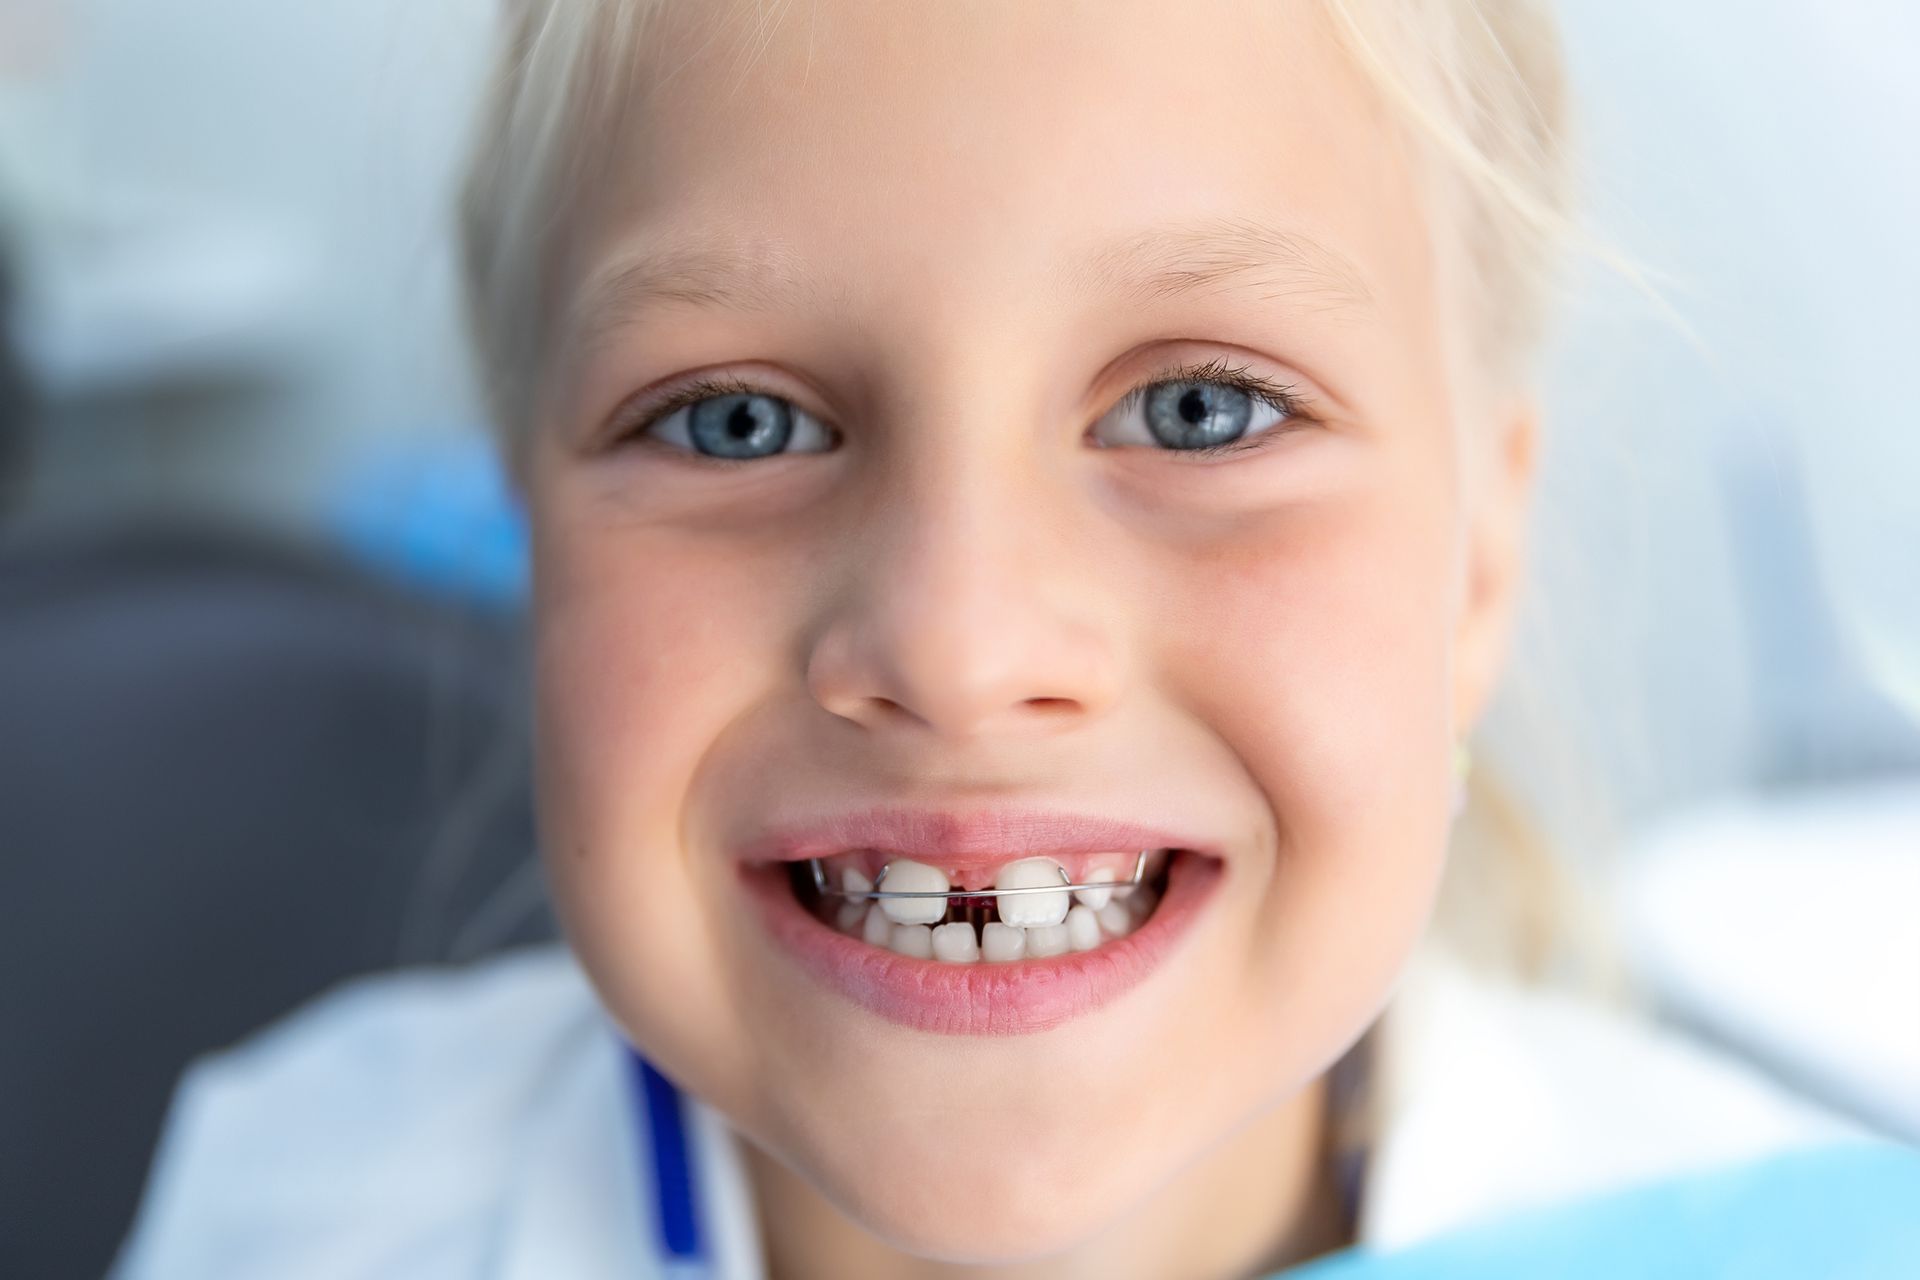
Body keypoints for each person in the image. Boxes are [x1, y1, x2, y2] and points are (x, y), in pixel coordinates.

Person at [107, 1, 1919, 1276]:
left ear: (1479, 558)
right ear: (532, 523)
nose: (962, 646)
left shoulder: (1790, 1240)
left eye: (1203, 410)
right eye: (739, 421)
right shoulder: (303, 1208)